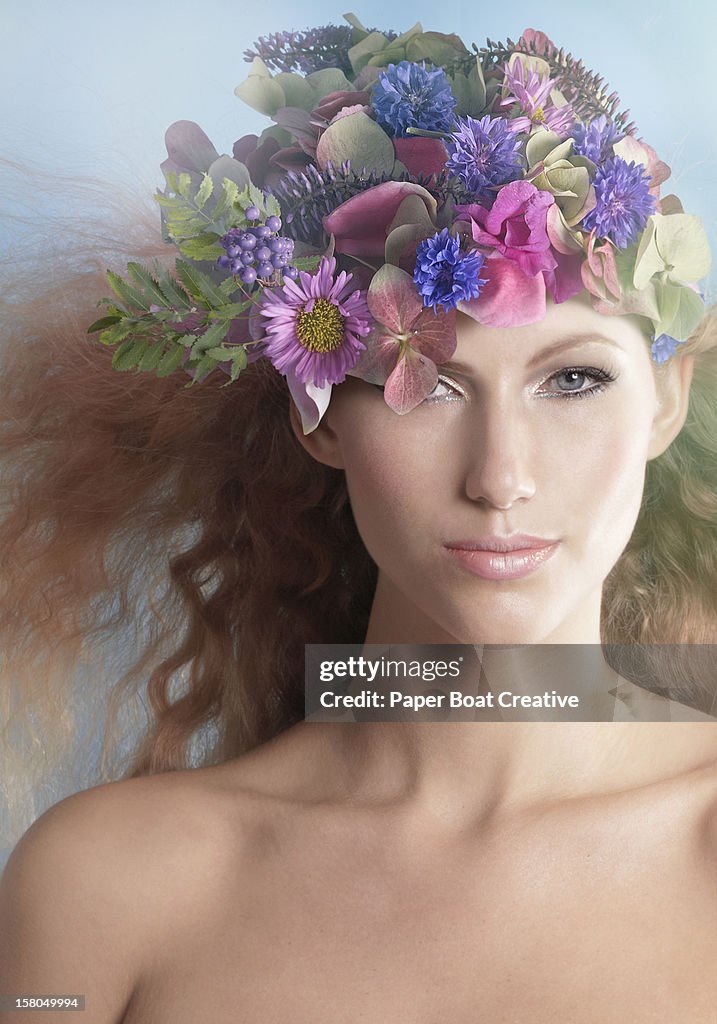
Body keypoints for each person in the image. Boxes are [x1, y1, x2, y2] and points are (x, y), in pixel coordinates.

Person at [1, 15, 716, 1022]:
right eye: (425, 388)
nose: (501, 477)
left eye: (575, 378)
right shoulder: (105, 890)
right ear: (319, 413)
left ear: (667, 401)